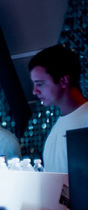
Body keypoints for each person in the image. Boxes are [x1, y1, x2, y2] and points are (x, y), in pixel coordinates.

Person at [29, 44, 88, 172]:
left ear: (63, 81)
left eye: (40, 84)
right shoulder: (56, 129)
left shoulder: (85, 120)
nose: (35, 91)